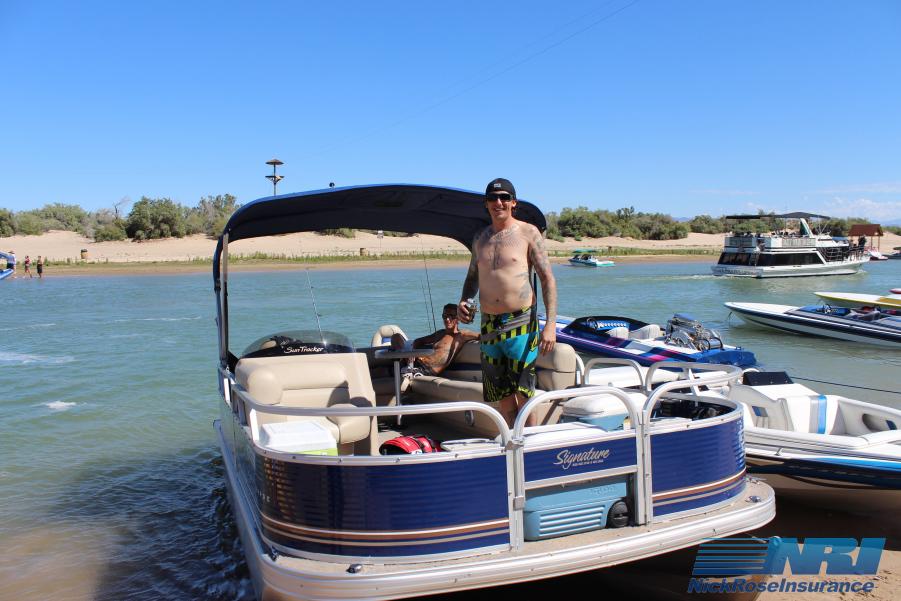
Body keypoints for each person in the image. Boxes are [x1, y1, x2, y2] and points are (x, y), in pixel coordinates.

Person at [457, 178, 558, 427]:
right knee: (501, 395)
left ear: (514, 203)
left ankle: (530, 444)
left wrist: (550, 325)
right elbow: (472, 277)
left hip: (521, 322)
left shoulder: (528, 233)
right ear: (486, 204)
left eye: (504, 197)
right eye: (493, 198)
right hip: (489, 324)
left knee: (524, 394)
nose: (498, 202)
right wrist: (464, 301)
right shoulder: (480, 238)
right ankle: (511, 443)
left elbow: (547, 279)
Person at [390, 304, 479, 375]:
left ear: (458, 318)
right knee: (396, 336)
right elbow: (419, 341)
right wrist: (412, 353)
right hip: (415, 363)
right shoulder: (441, 333)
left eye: (451, 316)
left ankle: (398, 365)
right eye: (445, 316)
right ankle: (400, 359)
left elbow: (481, 336)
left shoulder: (462, 335)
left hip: (426, 370)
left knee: (386, 372)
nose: (447, 319)